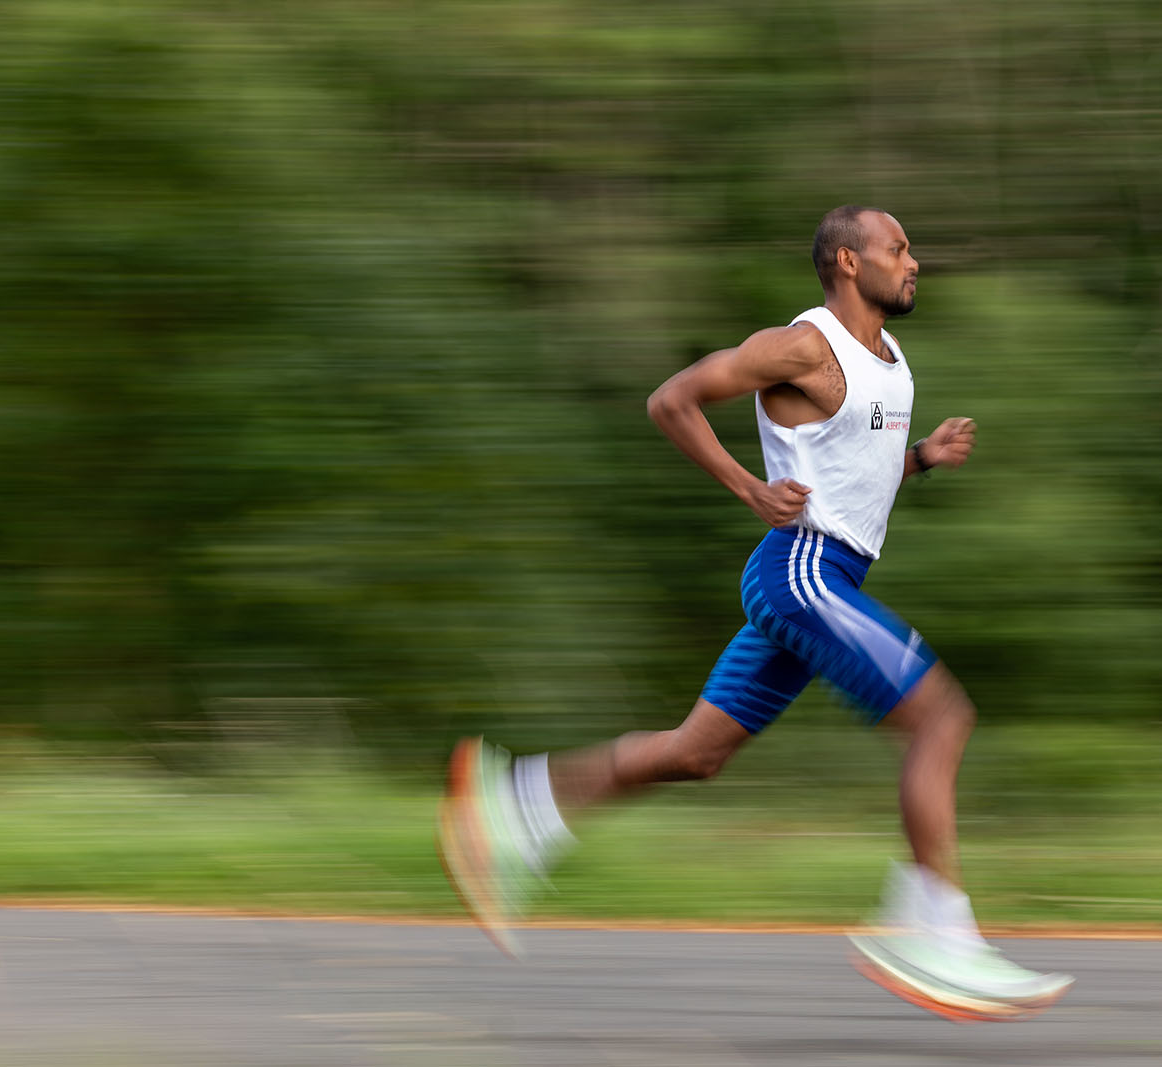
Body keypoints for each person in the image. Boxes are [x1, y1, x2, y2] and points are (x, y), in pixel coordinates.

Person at [437, 205, 1073, 1022]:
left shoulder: (890, 360)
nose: (915, 260)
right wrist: (750, 489)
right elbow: (672, 400)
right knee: (941, 718)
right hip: (800, 572)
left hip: (822, 577)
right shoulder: (804, 345)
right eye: (899, 248)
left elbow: (854, 475)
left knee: (695, 754)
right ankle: (933, 928)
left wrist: (921, 458)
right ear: (848, 261)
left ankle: (513, 807)